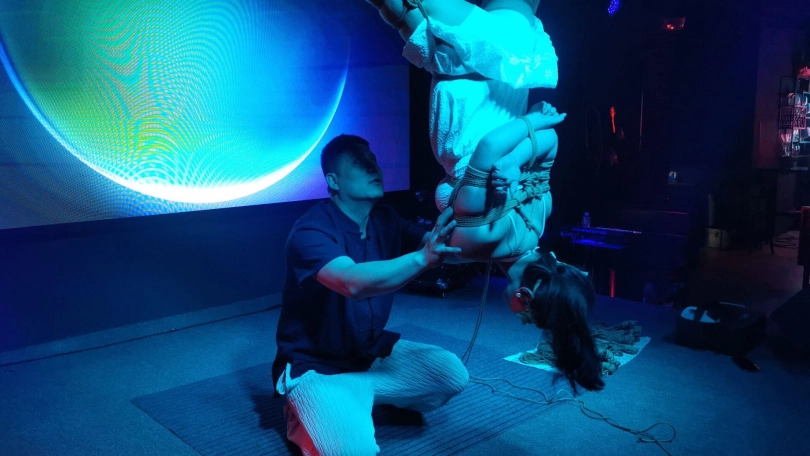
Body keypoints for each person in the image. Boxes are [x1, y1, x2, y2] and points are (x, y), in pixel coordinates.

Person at [367, 0, 604, 392]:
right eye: (527, 318)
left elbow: (548, 140)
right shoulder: (481, 242)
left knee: (397, 8)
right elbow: (489, 148)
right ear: (525, 297)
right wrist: (514, 152)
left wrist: (517, 154)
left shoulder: (538, 219)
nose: (520, 320)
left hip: (480, 78)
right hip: (481, 77)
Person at [272, 134, 470, 455]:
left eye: (373, 161)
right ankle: (308, 406)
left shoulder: (385, 219)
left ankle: (354, 398)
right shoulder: (311, 229)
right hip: (317, 368)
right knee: (355, 452)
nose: (373, 167)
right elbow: (352, 282)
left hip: (369, 358)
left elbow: (451, 250)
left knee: (452, 374)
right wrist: (423, 258)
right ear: (333, 181)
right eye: (359, 163)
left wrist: (496, 218)